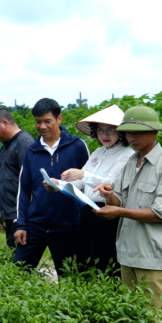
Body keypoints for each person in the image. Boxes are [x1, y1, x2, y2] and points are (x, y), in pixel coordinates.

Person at [93, 105, 162, 312]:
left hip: (151, 253)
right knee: (131, 313)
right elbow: (120, 201)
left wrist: (120, 212)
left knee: (158, 315)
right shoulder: (131, 162)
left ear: (154, 132)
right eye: (128, 132)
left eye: (138, 132)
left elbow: (161, 213)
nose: (132, 137)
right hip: (127, 250)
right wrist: (109, 195)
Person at [13, 98, 90, 271]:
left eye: (47, 121)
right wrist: (21, 224)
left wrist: (62, 186)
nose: (42, 126)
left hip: (68, 225)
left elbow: (88, 181)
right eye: (38, 122)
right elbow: (23, 190)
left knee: (70, 276)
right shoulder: (32, 151)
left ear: (59, 119)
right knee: (19, 271)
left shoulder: (77, 146)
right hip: (35, 224)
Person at [59, 105, 133, 275]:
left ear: (121, 132)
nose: (104, 135)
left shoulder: (127, 155)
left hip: (108, 213)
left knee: (105, 259)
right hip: (88, 211)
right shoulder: (98, 152)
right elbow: (80, 182)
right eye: (100, 130)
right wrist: (59, 184)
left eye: (110, 130)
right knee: (85, 259)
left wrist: (82, 174)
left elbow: (110, 183)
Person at [0, 107, 35, 249]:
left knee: (20, 258)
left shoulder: (24, 144)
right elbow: (3, 179)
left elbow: (31, 182)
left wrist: (24, 220)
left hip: (19, 214)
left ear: (5, 123)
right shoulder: (5, 146)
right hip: (9, 212)